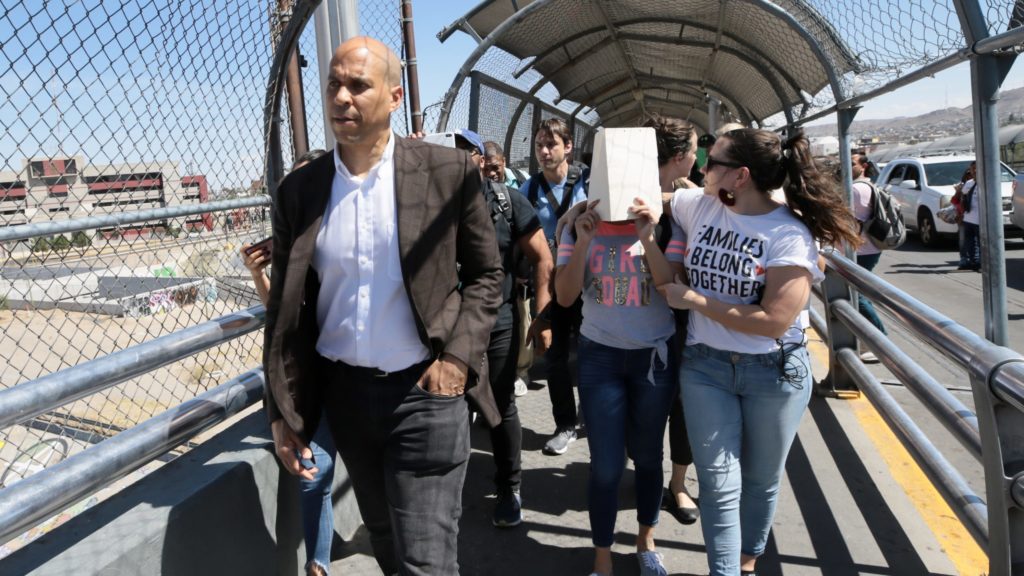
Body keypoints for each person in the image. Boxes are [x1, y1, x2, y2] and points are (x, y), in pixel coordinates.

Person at [263, 36, 503, 576]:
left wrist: (457, 361)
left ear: (395, 97)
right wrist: (281, 411)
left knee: (426, 561)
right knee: (389, 547)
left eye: (358, 85)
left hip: (426, 394)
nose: (341, 97)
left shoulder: (446, 173)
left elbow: (488, 274)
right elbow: (284, 310)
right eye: (333, 84)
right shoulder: (300, 191)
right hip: (345, 396)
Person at [660, 128, 860, 576]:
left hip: (775, 371)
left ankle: (747, 561)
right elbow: (653, 199)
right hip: (706, 366)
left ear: (740, 176)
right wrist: (586, 207)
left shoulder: (789, 234)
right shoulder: (701, 206)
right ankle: (726, 571)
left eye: (712, 163)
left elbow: (773, 321)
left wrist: (693, 300)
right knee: (717, 483)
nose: (701, 169)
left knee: (760, 480)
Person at [554, 191, 687, 575]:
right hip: (601, 357)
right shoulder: (581, 224)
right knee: (607, 465)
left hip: (654, 358)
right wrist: (582, 241)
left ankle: (646, 539)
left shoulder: (666, 224)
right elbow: (565, 297)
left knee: (647, 456)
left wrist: (648, 238)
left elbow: (674, 291)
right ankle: (602, 555)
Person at [451, 130, 553, 527]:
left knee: (499, 404)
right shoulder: (431, 202)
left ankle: (509, 487)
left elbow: (543, 258)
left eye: (465, 152)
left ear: (480, 158)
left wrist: (543, 318)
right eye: (449, 152)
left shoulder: (507, 200)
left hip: (499, 320)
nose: (457, 160)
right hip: (449, 327)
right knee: (449, 408)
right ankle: (446, 489)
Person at [242, 149, 333, 576]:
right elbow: (279, 313)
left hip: (350, 371)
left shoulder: (339, 236)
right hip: (310, 377)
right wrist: (259, 272)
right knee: (313, 471)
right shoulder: (290, 240)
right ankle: (319, 564)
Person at [518, 118, 588, 456]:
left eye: (552, 145)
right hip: (553, 284)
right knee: (556, 358)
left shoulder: (588, 182)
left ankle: (593, 412)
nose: (544, 152)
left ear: (568, 147)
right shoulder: (528, 191)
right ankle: (565, 424)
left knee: (593, 354)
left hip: (590, 283)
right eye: (539, 146)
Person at [644, 116, 701, 526]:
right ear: (679, 157)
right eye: (694, 151)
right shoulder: (626, 192)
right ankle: (647, 471)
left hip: (682, 320)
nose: (697, 158)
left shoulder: (697, 197)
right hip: (633, 315)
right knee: (642, 406)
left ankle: (677, 484)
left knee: (682, 406)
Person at [850, 153, 886, 363]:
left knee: (858, 296)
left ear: (863, 166)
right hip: (868, 248)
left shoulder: (856, 189)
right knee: (858, 295)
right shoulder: (868, 186)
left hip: (861, 249)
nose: (847, 165)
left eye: (852, 163)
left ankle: (880, 341)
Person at [954, 161, 981, 271]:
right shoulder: (969, 183)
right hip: (968, 219)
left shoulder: (986, 183)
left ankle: (981, 263)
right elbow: (961, 198)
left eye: (976, 168)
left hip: (980, 220)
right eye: (972, 169)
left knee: (981, 243)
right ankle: (973, 262)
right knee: (969, 243)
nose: (974, 171)